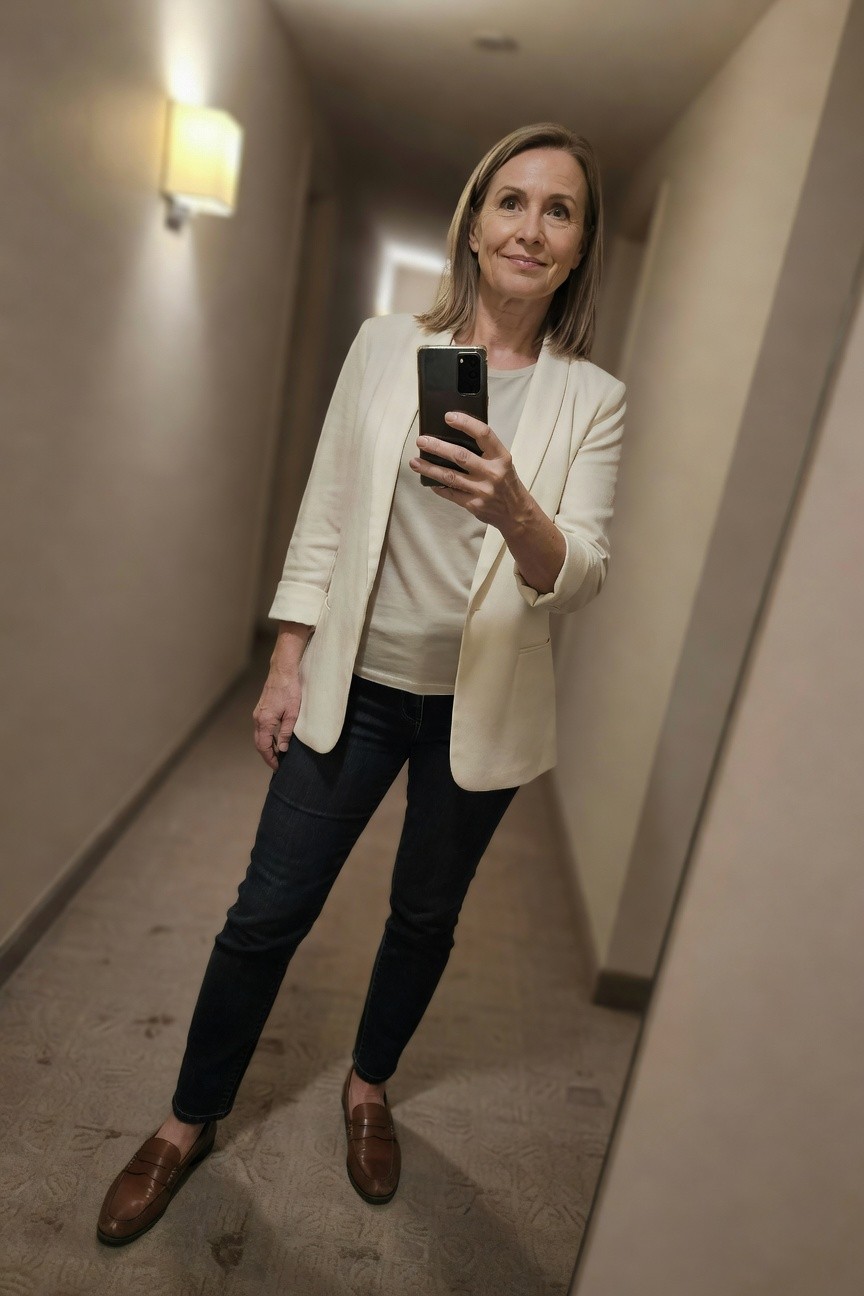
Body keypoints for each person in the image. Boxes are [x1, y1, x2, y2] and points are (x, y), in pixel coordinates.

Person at [96, 121, 626, 1246]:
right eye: (513, 201)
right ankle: (187, 1121)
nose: (532, 227)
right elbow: (329, 512)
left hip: (477, 710)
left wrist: (512, 506)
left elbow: (576, 578)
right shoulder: (388, 346)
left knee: (424, 919)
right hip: (359, 683)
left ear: (579, 247)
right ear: (475, 223)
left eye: (561, 210)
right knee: (264, 914)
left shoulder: (594, 399)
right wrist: (286, 659)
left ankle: (369, 1087)